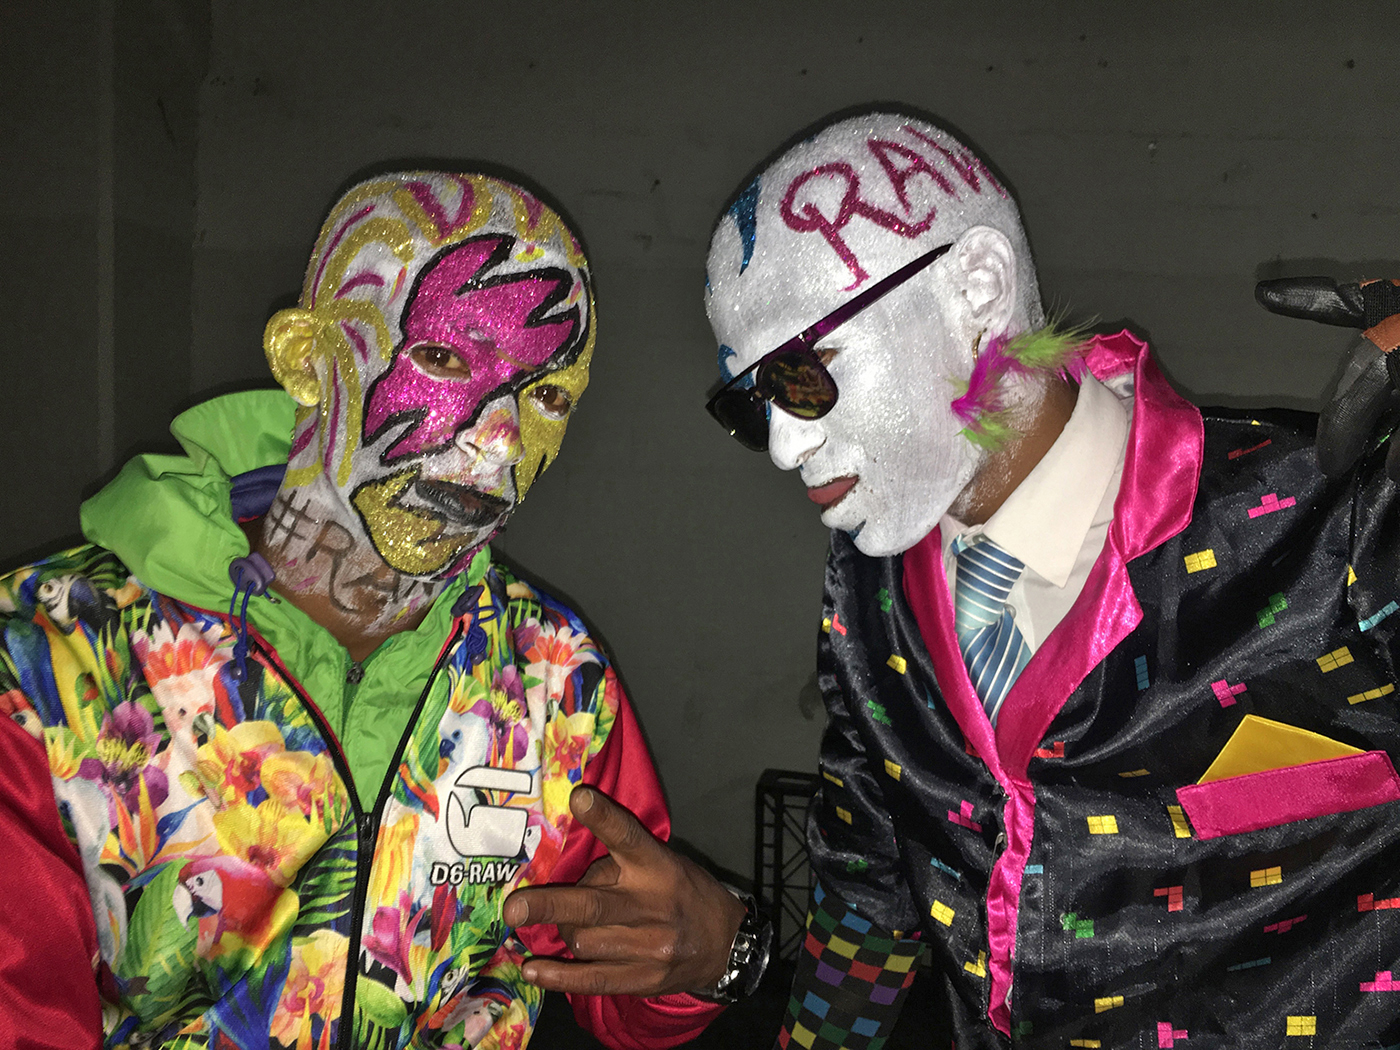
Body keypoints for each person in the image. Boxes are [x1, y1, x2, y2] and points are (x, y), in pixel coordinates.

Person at [700, 108, 1400, 1048]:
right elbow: (869, 896)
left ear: (977, 290)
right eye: (751, 404)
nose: (786, 447)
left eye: (803, 375)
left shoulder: (1325, 524)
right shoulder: (868, 594)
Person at [0, 171, 734, 1050]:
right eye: (444, 360)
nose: (498, 441)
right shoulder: (46, 663)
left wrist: (717, 955)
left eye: (546, 396)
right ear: (306, 357)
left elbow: (623, 982)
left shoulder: (555, 676)